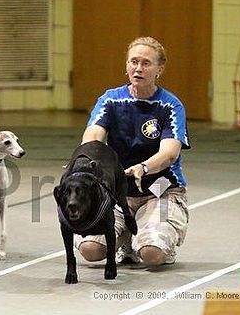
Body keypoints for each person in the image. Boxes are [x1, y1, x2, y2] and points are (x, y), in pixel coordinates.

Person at [76, 36, 190, 267]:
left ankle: (158, 241)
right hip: (118, 192)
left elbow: (170, 153)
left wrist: (144, 167)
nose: (138, 68)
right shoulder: (110, 100)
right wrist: (88, 157)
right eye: (133, 62)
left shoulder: (170, 105)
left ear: (159, 69)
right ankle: (126, 237)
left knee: (151, 254)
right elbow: (94, 133)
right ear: (126, 65)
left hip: (160, 189)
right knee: (91, 250)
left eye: (146, 63)